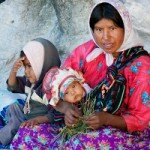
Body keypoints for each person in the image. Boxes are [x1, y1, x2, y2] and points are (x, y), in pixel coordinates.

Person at [11, 0, 150, 149]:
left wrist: (106, 119)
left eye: (113, 28)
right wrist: (66, 109)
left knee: (80, 143)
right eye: (99, 29)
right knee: (28, 133)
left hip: (122, 131)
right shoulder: (88, 51)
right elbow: (54, 83)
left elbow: (140, 119)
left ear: (125, 27)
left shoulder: (141, 65)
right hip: (82, 121)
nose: (106, 37)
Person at [0, 37, 61, 145]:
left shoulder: (50, 87)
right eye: (25, 67)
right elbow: (12, 87)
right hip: (28, 114)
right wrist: (13, 71)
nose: (26, 72)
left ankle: (3, 138)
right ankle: (12, 127)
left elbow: (56, 113)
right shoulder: (31, 82)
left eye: (29, 66)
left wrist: (38, 120)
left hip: (43, 122)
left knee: (17, 123)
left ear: (43, 64)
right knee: (14, 107)